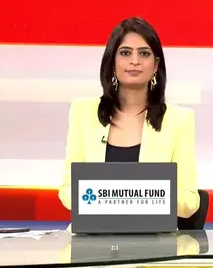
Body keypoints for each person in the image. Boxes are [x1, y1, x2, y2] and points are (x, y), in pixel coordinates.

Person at [58, 17, 200, 219]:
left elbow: (190, 202)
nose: (135, 61)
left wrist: (137, 198)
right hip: (94, 233)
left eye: (144, 53)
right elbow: (67, 190)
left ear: (156, 65)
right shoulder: (84, 112)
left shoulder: (179, 120)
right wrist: (109, 200)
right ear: (112, 61)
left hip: (153, 235)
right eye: (125, 53)